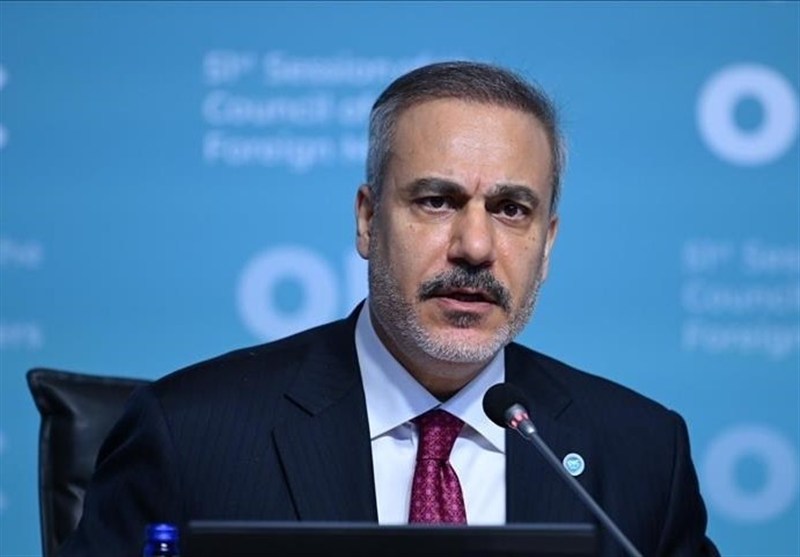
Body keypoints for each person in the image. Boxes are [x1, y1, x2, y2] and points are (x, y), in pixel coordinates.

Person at [57, 61, 719, 556]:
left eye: (511, 210)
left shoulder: (641, 455)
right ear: (368, 221)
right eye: (437, 201)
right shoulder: (190, 436)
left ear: (546, 244)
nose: (475, 246)